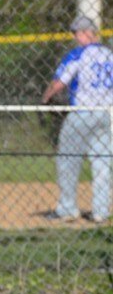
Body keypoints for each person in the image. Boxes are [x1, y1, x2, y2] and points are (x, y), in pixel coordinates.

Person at [41, 15, 113, 224]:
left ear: (85, 33)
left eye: (76, 33)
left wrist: (45, 99)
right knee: (102, 162)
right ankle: (100, 212)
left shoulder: (78, 54)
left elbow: (60, 82)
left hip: (82, 112)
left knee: (68, 159)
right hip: (105, 114)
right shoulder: (109, 55)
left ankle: (67, 209)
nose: (74, 37)